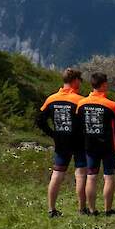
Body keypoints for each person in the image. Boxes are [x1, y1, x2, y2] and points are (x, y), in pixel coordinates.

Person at [37, 68, 86, 217]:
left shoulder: (51, 99)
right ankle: (82, 209)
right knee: (80, 173)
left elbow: (39, 120)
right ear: (75, 81)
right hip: (79, 141)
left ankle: (51, 209)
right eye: (80, 80)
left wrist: (53, 134)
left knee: (57, 174)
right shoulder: (79, 101)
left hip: (60, 141)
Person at [77, 73, 115, 216]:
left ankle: (92, 209)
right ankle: (108, 209)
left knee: (91, 176)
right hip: (108, 146)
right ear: (104, 85)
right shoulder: (111, 105)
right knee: (109, 176)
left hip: (89, 145)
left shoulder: (81, 104)